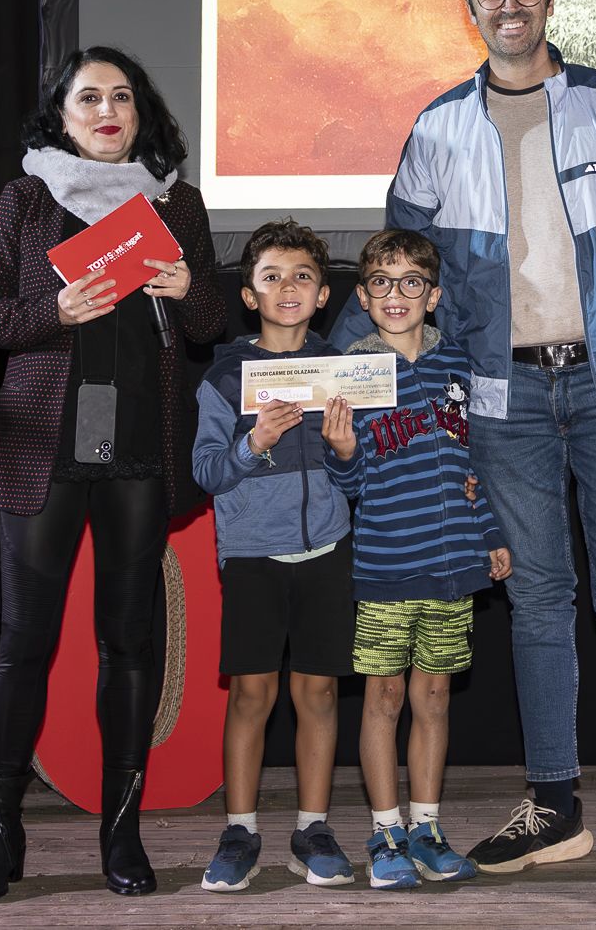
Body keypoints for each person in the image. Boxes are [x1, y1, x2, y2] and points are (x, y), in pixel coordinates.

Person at [335, 0, 596, 903]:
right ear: (470, 7)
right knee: (537, 602)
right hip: (502, 401)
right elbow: (393, 271)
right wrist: (331, 370)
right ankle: (554, 806)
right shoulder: (436, 129)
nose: (509, 4)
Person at [0, 47, 224, 905]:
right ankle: (0, 832)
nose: (107, 110)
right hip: (45, 447)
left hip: (140, 446)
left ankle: (122, 830)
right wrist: (55, 310)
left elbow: (211, 320)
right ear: (62, 116)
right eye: (89, 98)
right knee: (23, 642)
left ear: (142, 113)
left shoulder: (176, 202)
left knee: (130, 643)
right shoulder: (26, 198)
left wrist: (189, 287)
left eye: (122, 96)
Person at [325, 229, 511, 890]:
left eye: (411, 282)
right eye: (381, 281)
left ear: (432, 295)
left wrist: (489, 533)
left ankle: (427, 829)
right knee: (384, 696)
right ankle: (386, 832)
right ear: (363, 296)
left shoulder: (457, 363)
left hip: (453, 562)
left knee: (433, 696)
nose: (395, 293)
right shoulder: (350, 372)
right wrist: (343, 452)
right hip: (386, 563)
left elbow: (470, 465)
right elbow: (350, 482)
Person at [192, 221, 359, 893]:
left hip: (328, 549)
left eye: (302, 276)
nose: (288, 287)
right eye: (272, 276)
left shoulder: (343, 372)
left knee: (319, 692)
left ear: (322, 294)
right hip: (252, 553)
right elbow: (207, 471)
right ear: (249, 295)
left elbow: (358, 476)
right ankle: (240, 831)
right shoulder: (224, 377)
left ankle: (312, 829)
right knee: (251, 694)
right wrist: (253, 442)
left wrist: (348, 453)